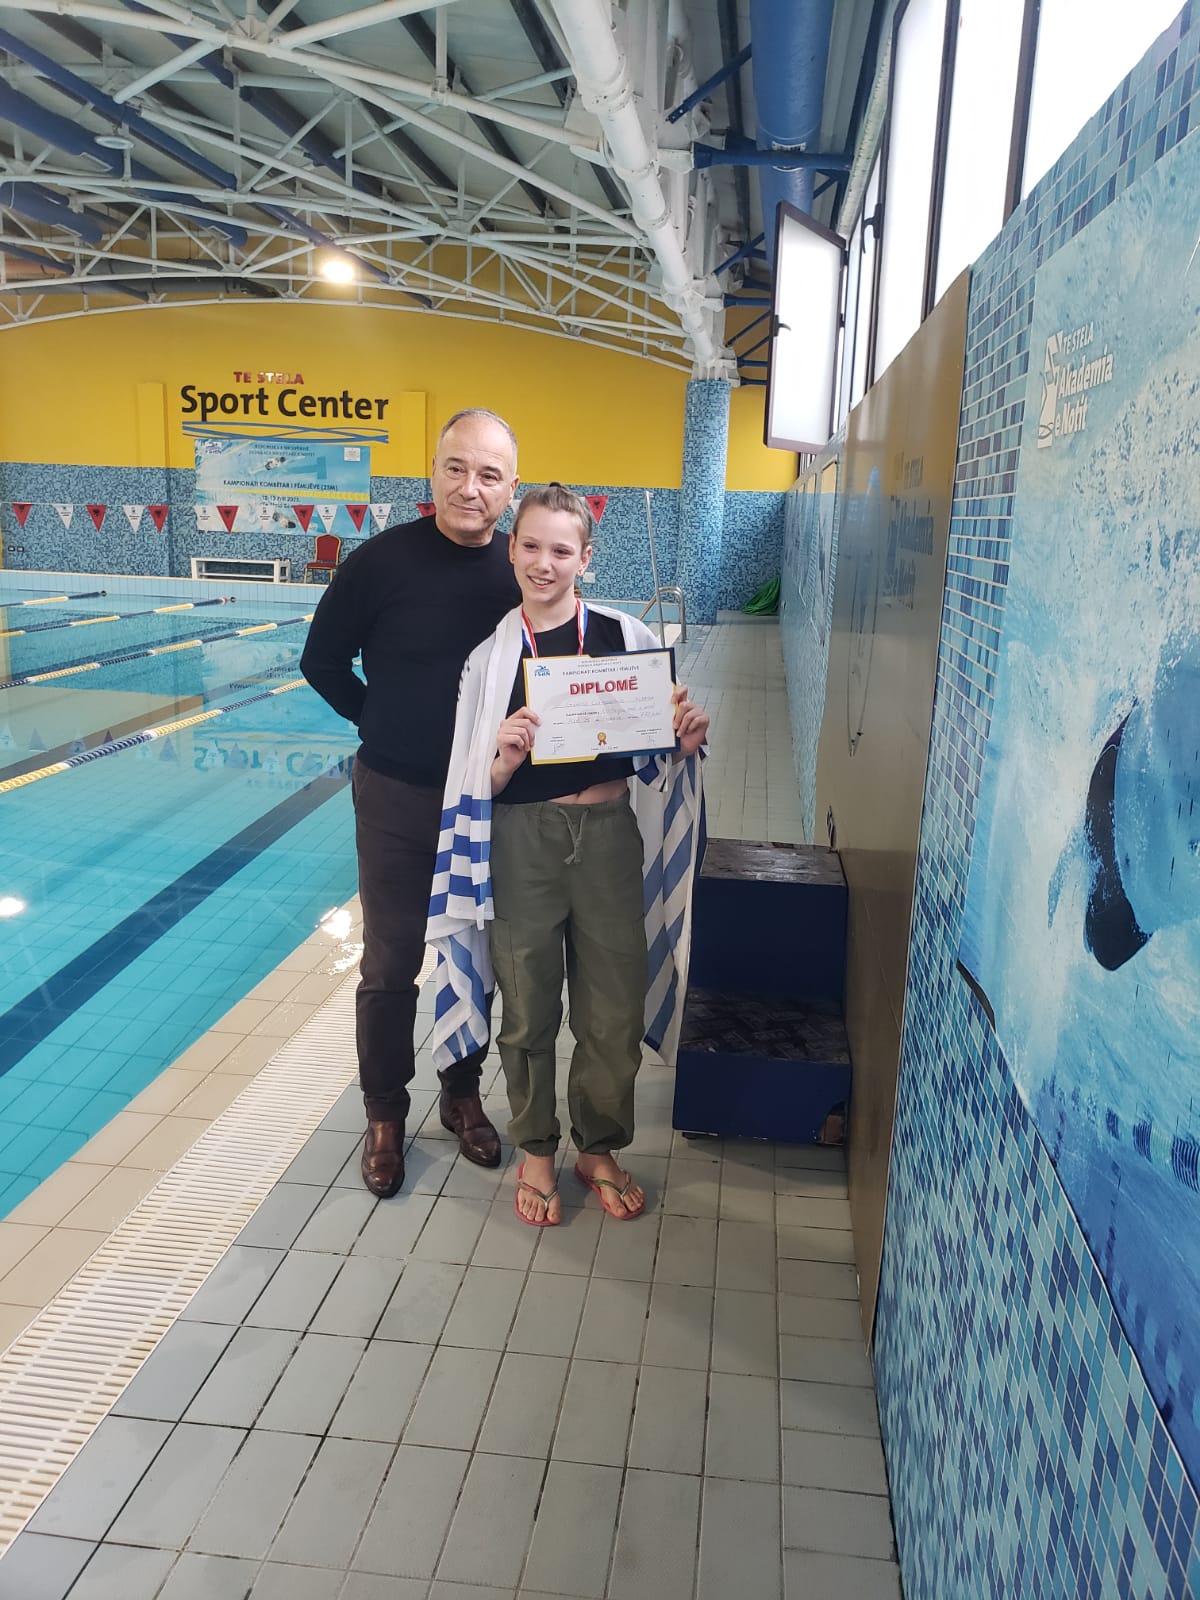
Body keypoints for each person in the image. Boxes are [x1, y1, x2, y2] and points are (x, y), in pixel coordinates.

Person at [426, 484, 708, 1225]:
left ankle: (599, 1146)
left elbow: (656, 758)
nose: (543, 563)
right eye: (530, 546)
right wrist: (502, 758)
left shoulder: (625, 638)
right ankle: (537, 1149)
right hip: (522, 841)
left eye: (560, 549)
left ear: (586, 557)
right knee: (526, 1008)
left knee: (613, 1007)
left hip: (609, 835)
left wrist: (681, 743)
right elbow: (471, 784)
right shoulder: (490, 660)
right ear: (511, 550)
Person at [300, 409, 521, 1197]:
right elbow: (321, 661)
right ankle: (385, 1114)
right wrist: (379, 720)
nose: (469, 487)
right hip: (395, 791)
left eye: (488, 474)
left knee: (472, 953)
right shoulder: (380, 562)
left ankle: (461, 1095)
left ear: (511, 488)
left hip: (487, 796)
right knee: (391, 960)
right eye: (456, 468)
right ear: (433, 471)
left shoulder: (519, 573)